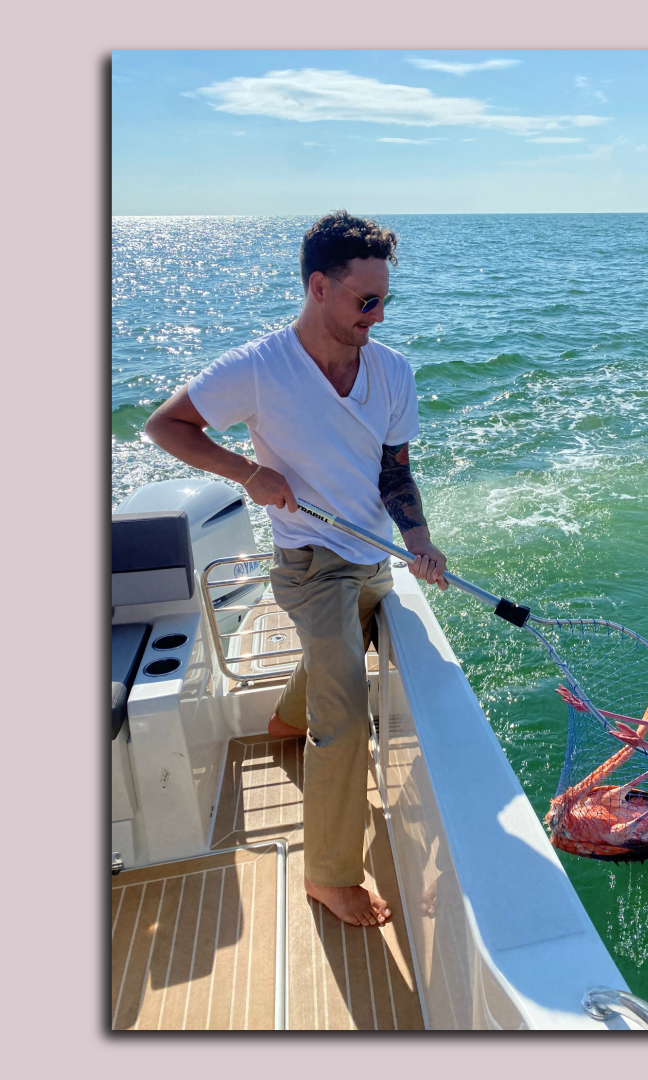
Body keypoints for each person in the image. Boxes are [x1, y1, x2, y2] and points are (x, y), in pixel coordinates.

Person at [145, 211, 449, 927]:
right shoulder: (258, 367)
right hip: (310, 563)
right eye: (363, 301)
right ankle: (329, 876)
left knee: (347, 640)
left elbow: (395, 471)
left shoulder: (393, 370)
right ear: (319, 287)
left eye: (384, 302)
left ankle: (284, 719)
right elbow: (167, 426)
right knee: (345, 708)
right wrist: (247, 471)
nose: (376, 317)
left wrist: (421, 539)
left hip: (375, 555)